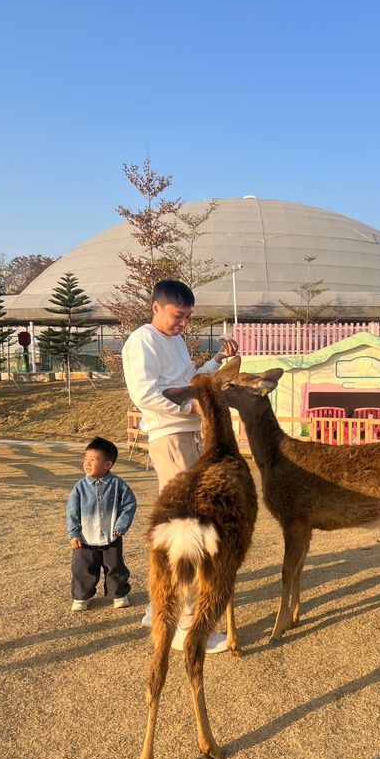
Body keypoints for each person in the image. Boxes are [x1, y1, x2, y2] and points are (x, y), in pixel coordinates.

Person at [122, 279, 238, 653]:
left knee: (177, 525)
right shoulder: (142, 340)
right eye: (178, 315)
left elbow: (188, 382)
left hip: (186, 435)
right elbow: (145, 394)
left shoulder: (170, 341)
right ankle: (187, 626)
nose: (183, 323)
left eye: (188, 317)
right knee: (188, 527)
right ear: (156, 307)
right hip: (171, 436)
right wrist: (191, 408)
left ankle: (160, 607)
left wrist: (216, 362)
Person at [67, 437, 137, 611]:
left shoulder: (118, 485)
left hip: (111, 536)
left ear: (108, 465)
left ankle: (119, 594)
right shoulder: (79, 488)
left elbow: (129, 504)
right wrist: (74, 533)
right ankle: (81, 597)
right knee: (82, 569)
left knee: (115, 568)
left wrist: (121, 525)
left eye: (93, 460)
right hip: (85, 538)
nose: (87, 464)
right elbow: (72, 512)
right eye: (85, 459)